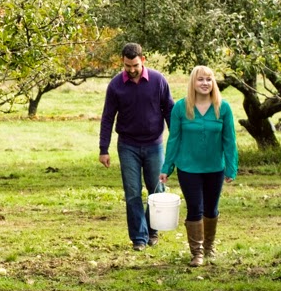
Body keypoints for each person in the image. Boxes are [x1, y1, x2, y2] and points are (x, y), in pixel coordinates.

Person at [159, 65, 238, 267]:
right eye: (200, 79)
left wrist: (231, 167)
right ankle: (197, 253)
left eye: (209, 79)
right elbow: (174, 139)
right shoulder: (180, 108)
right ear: (193, 82)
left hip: (214, 168)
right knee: (195, 207)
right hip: (188, 168)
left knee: (211, 209)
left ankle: (209, 246)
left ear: (213, 83)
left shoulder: (223, 108)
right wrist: (166, 167)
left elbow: (229, 140)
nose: (205, 83)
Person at [99, 42, 174, 251]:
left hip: (154, 144)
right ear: (122, 62)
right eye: (127, 66)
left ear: (143, 60)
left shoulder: (158, 81)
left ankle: (153, 231)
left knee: (156, 189)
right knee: (132, 192)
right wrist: (103, 149)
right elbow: (107, 118)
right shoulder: (115, 85)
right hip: (128, 145)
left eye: (135, 65)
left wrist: (177, 143)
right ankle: (139, 238)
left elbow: (169, 111)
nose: (131, 70)